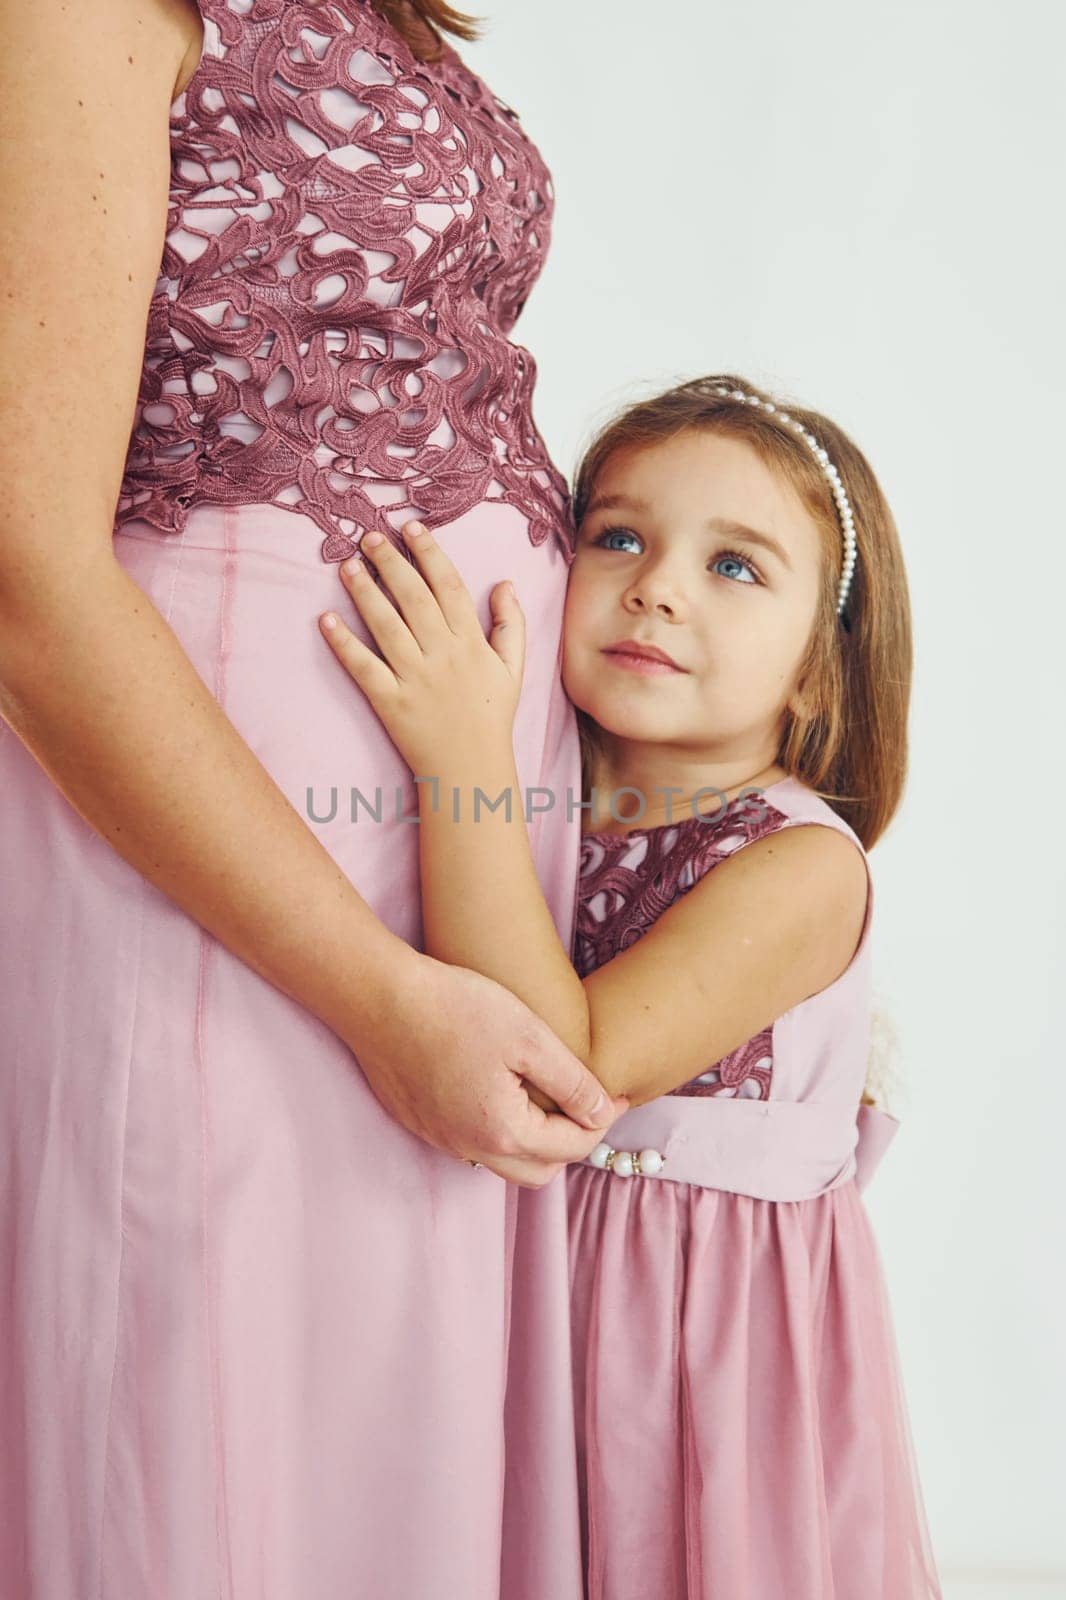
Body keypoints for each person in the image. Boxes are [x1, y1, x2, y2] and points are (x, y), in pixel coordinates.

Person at [0, 2, 628, 1595]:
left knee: (386, 1473)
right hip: (241, 883)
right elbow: (24, 575)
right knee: (214, 1464)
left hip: (445, 858)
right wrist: (379, 996)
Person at [319, 373, 945, 1596]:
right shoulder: (546, 809)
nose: (656, 583)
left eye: (736, 566)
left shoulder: (802, 864)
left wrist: (460, 758)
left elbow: (568, 1062)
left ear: (822, 668)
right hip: (519, 1296)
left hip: (692, 1345)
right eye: (618, 537)